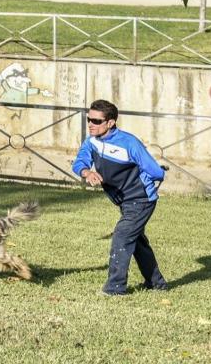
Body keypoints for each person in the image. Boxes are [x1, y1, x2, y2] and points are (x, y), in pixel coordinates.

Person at [71, 99, 169, 295]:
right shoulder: (91, 141)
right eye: (89, 119)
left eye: (96, 121)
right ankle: (157, 283)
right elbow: (79, 162)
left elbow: (156, 172)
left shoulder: (129, 143)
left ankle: (115, 288)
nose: (90, 124)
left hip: (141, 200)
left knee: (122, 235)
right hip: (125, 202)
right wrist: (86, 173)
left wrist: (140, 184)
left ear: (110, 123)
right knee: (137, 242)